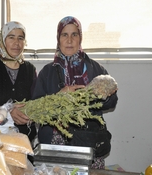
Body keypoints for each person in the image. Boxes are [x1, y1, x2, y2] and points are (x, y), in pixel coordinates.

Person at [32, 16, 118, 169]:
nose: (69, 40)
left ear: (80, 38)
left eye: (74, 34)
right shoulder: (47, 72)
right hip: (55, 143)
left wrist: (101, 95)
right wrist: (60, 97)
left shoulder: (95, 69)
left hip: (89, 140)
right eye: (64, 34)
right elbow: (36, 111)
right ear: (58, 39)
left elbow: (112, 101)